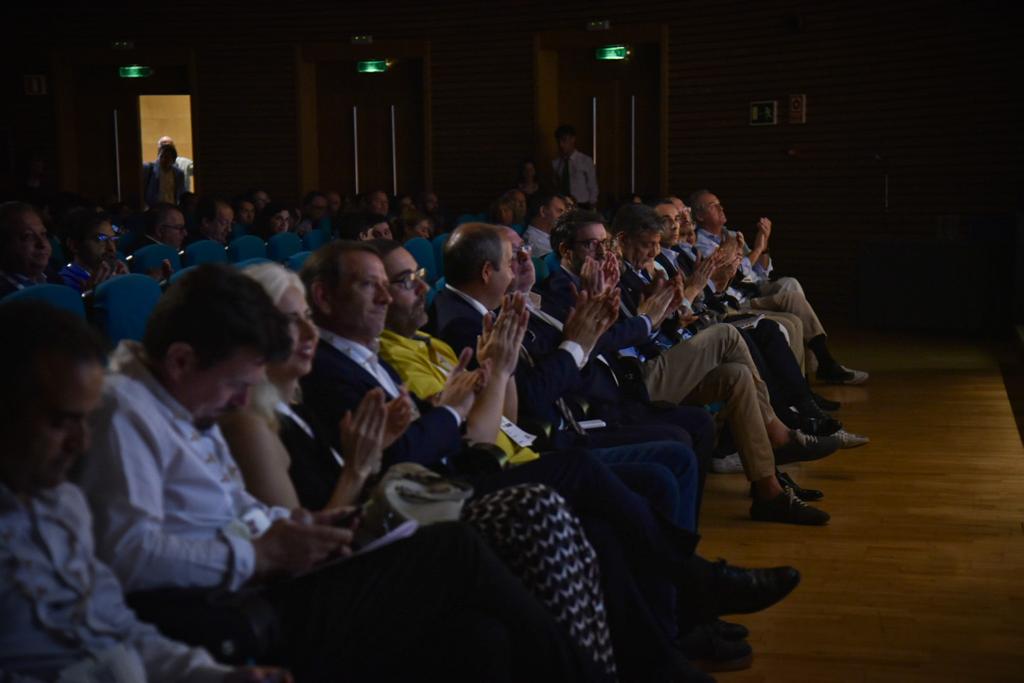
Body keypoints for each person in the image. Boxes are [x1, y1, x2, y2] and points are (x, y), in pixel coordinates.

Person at [299, 240, 804, 678]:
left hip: (518, 443)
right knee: (615, 466)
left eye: (409, 280)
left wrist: (496, 376)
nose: (393, 295)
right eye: (389, 283)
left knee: (635, 496)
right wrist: (462, 406)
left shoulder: (420, 341)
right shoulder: (397, 345)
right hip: (475, 477)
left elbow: (498, 416)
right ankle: (692, 590)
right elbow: (432, 444)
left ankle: (670, 640)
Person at [75, 264, 600, 682]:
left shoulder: (188, 400)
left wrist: (303, 530)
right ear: (183, 361)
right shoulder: (126, 411)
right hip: (228, 611)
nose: (241, 401)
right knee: (454, 546)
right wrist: (263, 550)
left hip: (261, 581)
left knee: (481, 636)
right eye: (237, 384)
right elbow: (129, 551)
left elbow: (237, 509)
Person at [221, 262, 617, 678]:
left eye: (305, 318)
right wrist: (360, 469)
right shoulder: (252, 423)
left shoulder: (295, 409)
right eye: (289, 320)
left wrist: (489, 378)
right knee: (509, 517)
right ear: (250, 334)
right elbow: (304, 560)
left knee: (488, 632)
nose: (307, 333)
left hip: (385, 532)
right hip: (324, 595)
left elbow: (496, 428)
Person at [0, 300, 290, 682]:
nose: (82, 443)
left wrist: (214, 677)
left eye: (85, 421)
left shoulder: (64, 505)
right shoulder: (128, 411)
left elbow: (118, 632)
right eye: (59, 422)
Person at [689, 189, 869, 385]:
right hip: (736, 297)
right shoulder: (700, 243)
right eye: (714, 206)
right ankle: (817, 365)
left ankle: (819, 362)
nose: (721, 208)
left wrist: (764, 245)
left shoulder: (732, 234)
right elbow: (734, 276)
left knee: (790, 284)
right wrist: (756, 249)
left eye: (720, 203)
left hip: (753, 288)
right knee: (791, 304)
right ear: (699, 215)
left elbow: (761, 273)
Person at [58, 208, 128, 293]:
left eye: (113, 239)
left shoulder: (114, 274)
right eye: (101, 239)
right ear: (74, 245)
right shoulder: (63, 284)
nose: (111, 248)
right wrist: (90, 296)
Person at [0, 201, 60, 298]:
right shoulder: (5, 297)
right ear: (3, 244)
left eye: (43, 234)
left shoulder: (54, 278)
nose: (42, 244)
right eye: (28, 236)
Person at [552, 124, 598, 207]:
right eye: (559, 142)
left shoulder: (585, 161)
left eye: (564, 140)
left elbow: (592, 184)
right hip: (564, 205)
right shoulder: (556, 164)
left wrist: (592, 202)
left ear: (573, 139)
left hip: (582, 204)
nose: (561, 145)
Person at [523, 193, 568, 257]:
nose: (564, 217)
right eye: (559, 211)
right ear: (543, 211)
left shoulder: (551, 238)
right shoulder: (534, 244)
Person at [143, 144, 186, 208]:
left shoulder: (178, 174)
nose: (163, 159)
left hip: (172, 207)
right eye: (161, 156)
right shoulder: (150, 169)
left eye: (167, 157)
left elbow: (181, 192)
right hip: (154, 208)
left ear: (173, 160)